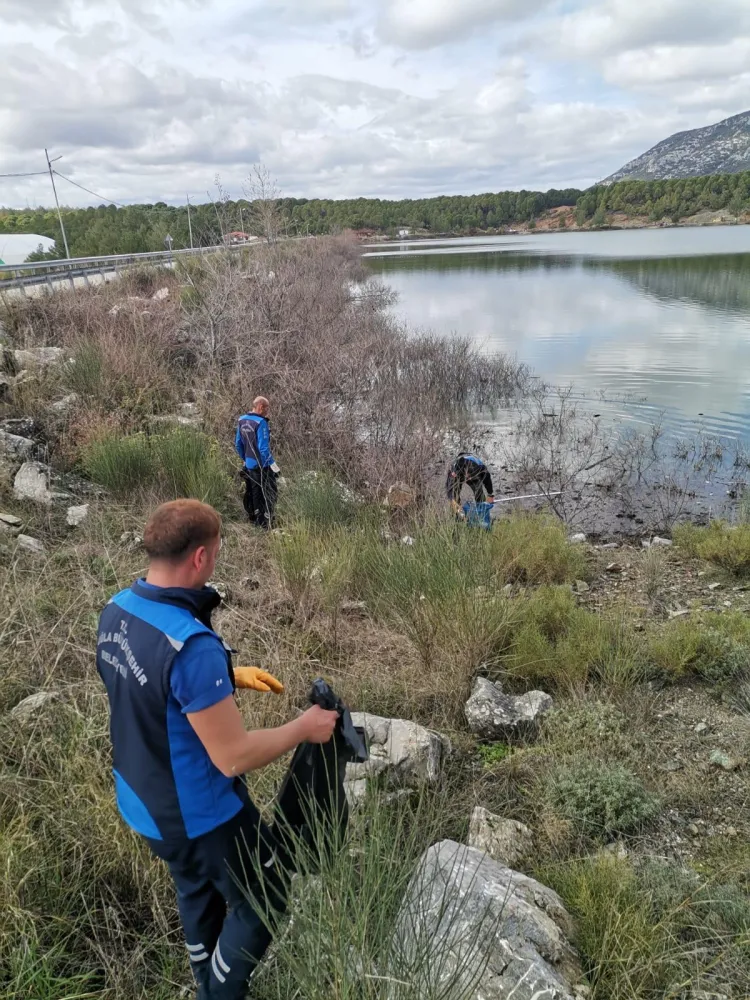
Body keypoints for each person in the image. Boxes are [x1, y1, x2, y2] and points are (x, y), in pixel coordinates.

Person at [95, 499, 338, 999]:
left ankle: (208, 980)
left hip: (144, 805)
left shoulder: (116, 610)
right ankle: (217, 994)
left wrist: (227, 678)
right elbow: (234, 755)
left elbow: (150, 690)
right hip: (203, 818)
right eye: (218, 551)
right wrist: (305, 726)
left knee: (197, 889)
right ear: (201, 558)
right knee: (265, 901)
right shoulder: (192, 646)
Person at [235, 397, 280, 529]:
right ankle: (267, 520)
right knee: (269, 491)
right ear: (260, 406)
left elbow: (238, 444)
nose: (267, 411)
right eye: (266, 408)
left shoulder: (242, 420)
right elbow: (263, 448)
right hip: (262, 465)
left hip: (249, 464)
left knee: (254, 491)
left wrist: (245, 459)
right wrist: (273, 465)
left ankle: (255, 518)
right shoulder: (261, 423)